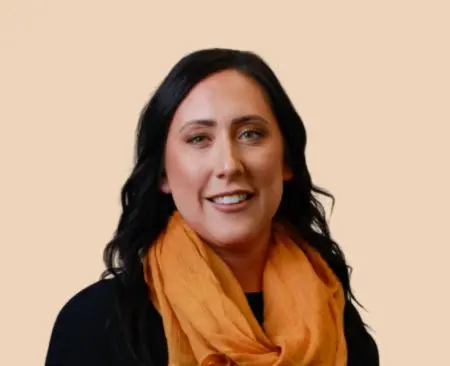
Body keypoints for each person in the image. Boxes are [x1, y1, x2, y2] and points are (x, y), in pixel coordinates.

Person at [45, 48, 379, 366]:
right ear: (163, 173)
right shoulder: (95, 325)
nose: (229, 165)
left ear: (286, 160)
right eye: (199, 139)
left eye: (250, 134)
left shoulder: (337, 323)